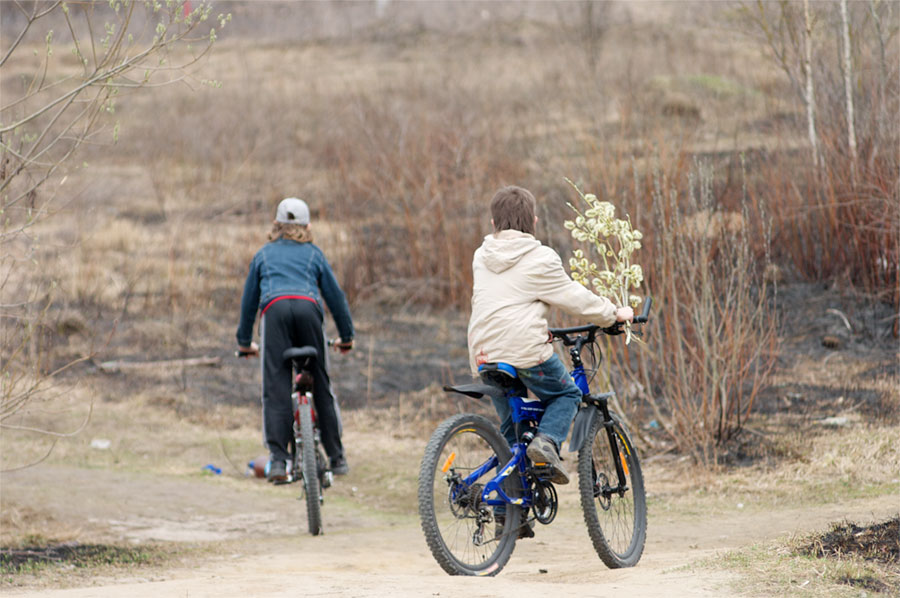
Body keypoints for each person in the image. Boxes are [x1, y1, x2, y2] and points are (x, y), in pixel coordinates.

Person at [467, 185, 633, 485]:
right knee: (567, 394)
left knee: (510, 436)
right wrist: (612, 314)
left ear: (493, 224)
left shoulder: (482, 256)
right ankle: (546, 441)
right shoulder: (539, 256)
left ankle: (508, 515)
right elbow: (574, 297)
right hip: (524, 351)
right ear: (534, 221)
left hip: (484, 352)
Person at [236, 197, 354, 482]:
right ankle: (337, 458)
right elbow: (336, 298)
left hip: (274, 311)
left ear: (276, 225)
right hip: (307, 310)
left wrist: (244, 342)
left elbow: (249, 302)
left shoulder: (263, 255)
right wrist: (346, 336)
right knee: (321, 382)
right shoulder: (314, 254)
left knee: (275, 386)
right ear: (307, 225)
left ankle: (278, 461)